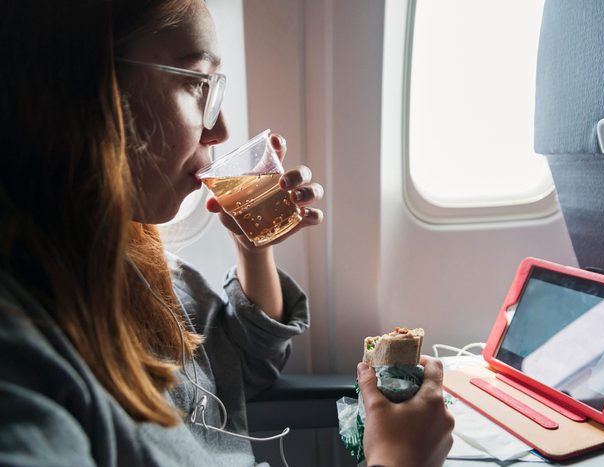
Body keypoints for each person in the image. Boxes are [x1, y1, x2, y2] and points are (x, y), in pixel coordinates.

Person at [0, 0, 454, 466]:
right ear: (84, 88)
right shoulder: (20, 364)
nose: (220, 130)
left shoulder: (136, 260)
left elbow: (246, 362)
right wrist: (399, 457)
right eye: (197, 83)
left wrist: (251, 249)